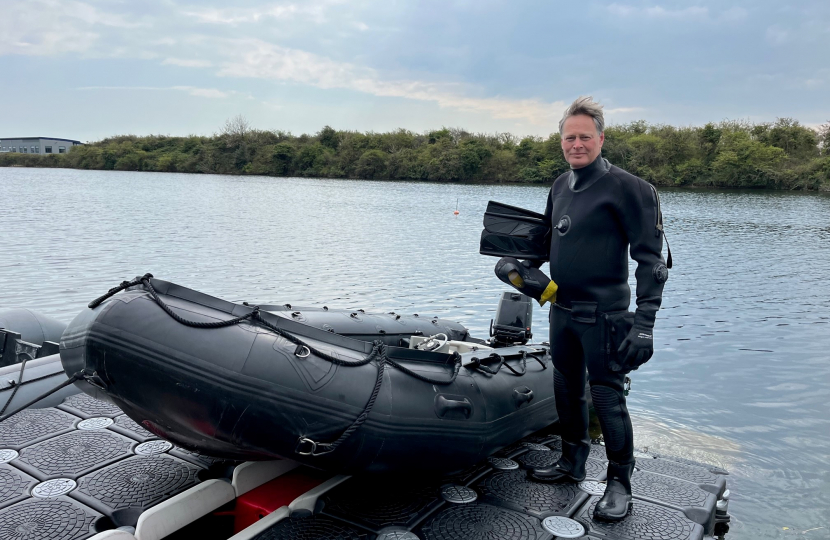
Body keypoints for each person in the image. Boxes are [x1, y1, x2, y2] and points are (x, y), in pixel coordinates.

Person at [497, 96, 669, 521]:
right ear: (561, 141)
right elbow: (545, 241)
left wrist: (644, 325)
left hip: (606, 315)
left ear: (601, 139)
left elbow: (652, 263)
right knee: (566, 389)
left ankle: (619, 483)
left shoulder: (631, 188)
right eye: (569, 137)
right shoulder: (560, 184)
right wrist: (518, 267)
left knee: (607, 398)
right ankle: (571, 462)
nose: (577, 144)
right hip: (561, 307)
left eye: (584, 137)